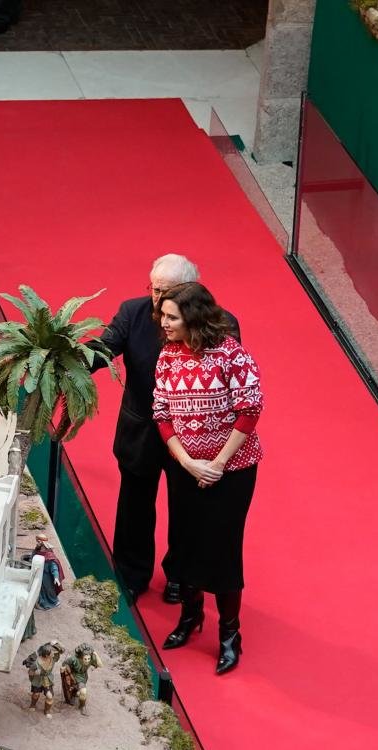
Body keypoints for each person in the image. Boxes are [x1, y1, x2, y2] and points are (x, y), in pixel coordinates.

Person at [94, 254, 239, 605]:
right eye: (155, 289)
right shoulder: (132, 312)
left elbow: (228, 377)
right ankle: (130, 576)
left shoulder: (222, 323)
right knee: (134, 507)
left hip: (191, 438)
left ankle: (180, 576)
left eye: (168, 291)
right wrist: (64, 359)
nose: (158, 299)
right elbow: (102, 350)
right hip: (142, 431)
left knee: (186, 510)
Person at [152, 282, 262, 676]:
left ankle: (230, 634)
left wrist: (217, 463)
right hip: (187, 468)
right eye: (163, 315)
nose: (163, 323)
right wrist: (187, 462)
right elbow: (162, 413)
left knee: (222, 548)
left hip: (232, 471)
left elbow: (250, 410)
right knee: (184, 542)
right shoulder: (167, 356)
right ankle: (190, 616)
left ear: (194, 318)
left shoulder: (231, 354)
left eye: (172, 317)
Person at [22, 641, 64, 718]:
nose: (54, 654)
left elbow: (62, 650)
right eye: (53, 653)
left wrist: (54, 643)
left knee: (50, 696)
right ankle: (32, 705)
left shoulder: (53, 659)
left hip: (47, 679)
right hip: (37, 680)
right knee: (36, 694)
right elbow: (30, 672)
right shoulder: (36, 663)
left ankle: (47, 711)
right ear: (47, 654)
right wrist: (35, 673)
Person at [61, 644, 103, 715]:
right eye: (85, 659)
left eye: (88, 659)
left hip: (82, 677)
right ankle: (74, 698)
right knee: (77, 691)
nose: (87, 661)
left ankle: (81, 706)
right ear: (81, 657)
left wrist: (95, 653)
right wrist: (67, 673)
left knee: (82, 692)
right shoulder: (73, 659)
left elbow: (100, 665)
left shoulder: (91, 659)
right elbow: (64, 664)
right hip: (72, 676)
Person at [31, 533, 64, 610]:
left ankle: (53, 601)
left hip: (46, 577)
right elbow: (33, 557)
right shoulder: (37, 550)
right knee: (40, 589)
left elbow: (54, 567)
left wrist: (56, 577)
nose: (37, 543)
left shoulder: (49, 555)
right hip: (39, 574)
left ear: (42, 543)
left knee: (49, 590)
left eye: (38, 541)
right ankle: (41, 602)